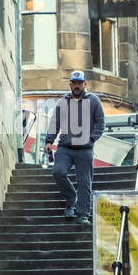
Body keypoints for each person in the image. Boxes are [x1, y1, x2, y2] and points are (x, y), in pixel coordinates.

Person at [44, 70, 105, 227]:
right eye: (74, 83)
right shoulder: (63, 102)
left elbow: (100, 123)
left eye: (80, 83)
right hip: (65, 147)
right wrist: (49, 141)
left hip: (85, 149)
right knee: (58, 171)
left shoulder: (94, 101)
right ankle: (72, 198)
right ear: (70, 84)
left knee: (85, 182)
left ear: (85, 84)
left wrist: (91, 139)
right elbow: (54, 122)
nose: (77, 86)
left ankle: (83, 214)